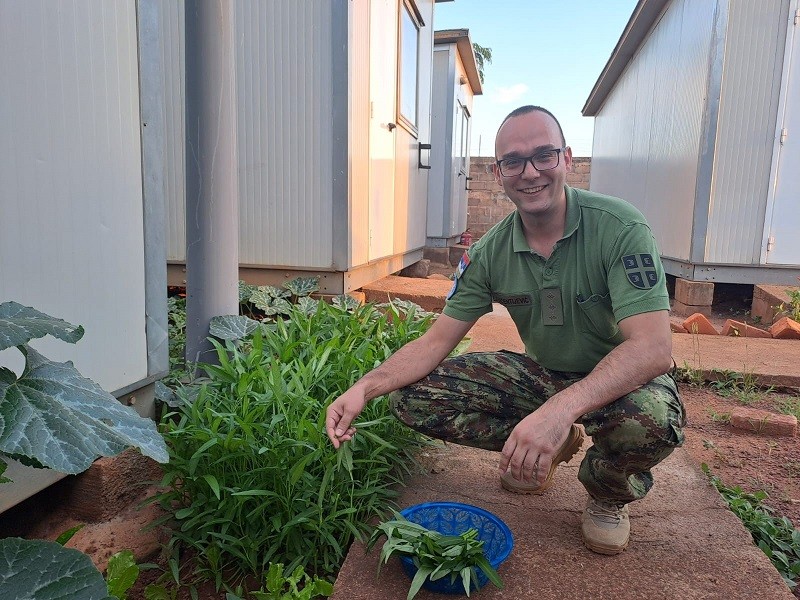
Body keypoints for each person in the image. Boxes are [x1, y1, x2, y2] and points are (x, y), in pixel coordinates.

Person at [326, 105, 685, 555]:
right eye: (513, 161)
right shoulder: (488, 252)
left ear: (567, 159)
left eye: (544, 155)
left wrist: (559, 410)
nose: (529, 172)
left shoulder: (619, 228)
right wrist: (364, 388)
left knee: (652, 421)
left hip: (621, 383)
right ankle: (543, 447)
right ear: (498, 173)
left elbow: (653, 348)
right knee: (414, 398)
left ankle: (607, 493)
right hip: (545, 373)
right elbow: (435, 342)